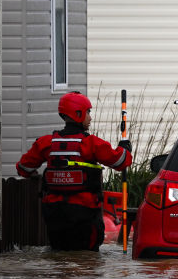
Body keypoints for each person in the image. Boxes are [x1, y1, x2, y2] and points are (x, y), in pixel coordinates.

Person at [15, 91, 133, 251]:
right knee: (86, 261)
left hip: (54, 214)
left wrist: (34, 175)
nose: (90, 118)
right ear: (78, 114)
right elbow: (120, 161)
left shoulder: (46, 143)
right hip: (84, 214)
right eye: (88, 113)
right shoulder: (90, 143)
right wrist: (125, 148)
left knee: (59, 257)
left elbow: (23, 168)